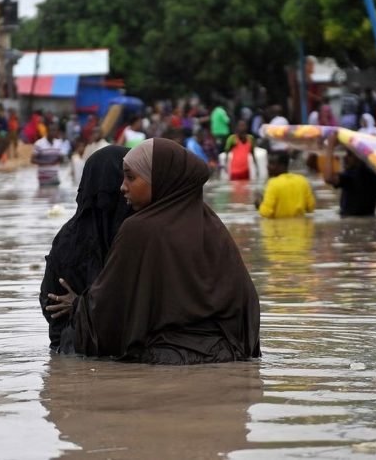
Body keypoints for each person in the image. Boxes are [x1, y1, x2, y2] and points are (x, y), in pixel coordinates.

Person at [46, 138, 261, 364]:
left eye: (130, 177)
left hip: (167, 360)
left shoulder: (139, 229)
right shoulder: (213, 225)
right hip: (230, 355)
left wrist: (77, 307)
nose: (122, 187)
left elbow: (110, 307)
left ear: (160, 179)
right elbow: (246, 302)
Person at [39, 146, 132, 349]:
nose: (126, 187)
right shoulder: (131, 233)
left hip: (70, 350)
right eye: (126, 177)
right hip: (95, 350)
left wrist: (79, 305)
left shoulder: (67, 236)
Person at [323, 131, 376, 216]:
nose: (345, 158)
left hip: (348, 222)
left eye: (349, 154)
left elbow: (329, 178)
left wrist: (330, 146)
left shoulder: (353, 175)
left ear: (360, 156)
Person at [254, 151, 315, 218]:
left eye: (272, 163)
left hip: (277, 227)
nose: (268, 167)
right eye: (268, 163)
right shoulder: (302, 181)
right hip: (301, 226)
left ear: (282, 166)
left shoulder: (273, 184)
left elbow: (266, 213)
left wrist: (259, 204)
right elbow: (310, 208)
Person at [32, 120, 66, 186]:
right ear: (47, 131)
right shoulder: (39, 143)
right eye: (51, 130)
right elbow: (32, 160)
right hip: (43, 179)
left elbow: (61, 160)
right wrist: (46, 163)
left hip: (55, 177)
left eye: (55, 130)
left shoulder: (59, 143)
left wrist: (62, 158)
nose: (53, 132)